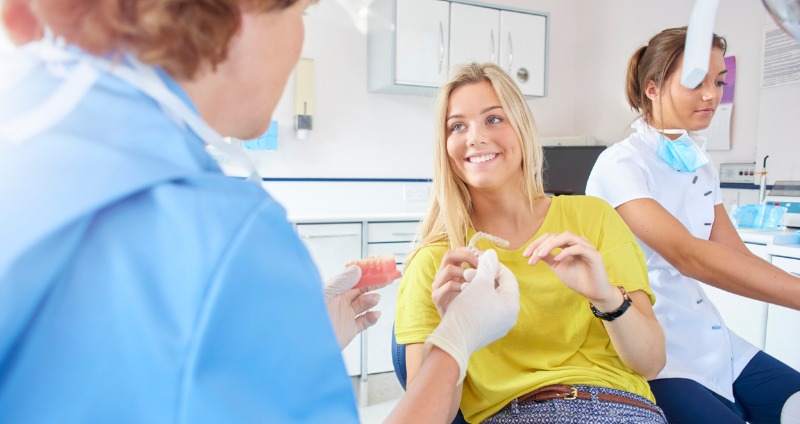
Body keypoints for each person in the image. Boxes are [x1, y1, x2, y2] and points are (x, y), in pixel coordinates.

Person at [0, 0, 520, 422]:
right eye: (300, 15)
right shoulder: (225, 234)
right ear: (239, 13)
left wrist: (299, 338)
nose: (299, 42)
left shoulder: (36, 134)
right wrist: (454, 343)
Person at [395, 62, 668, 424]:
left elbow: (650, 364)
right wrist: (455, 329)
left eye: (493, 119)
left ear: (522, 128)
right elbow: (429, 417)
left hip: (619, 408)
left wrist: (606, 297)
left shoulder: (593, 218)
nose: (474, 137)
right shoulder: (435, 264)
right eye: (457, 126)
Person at [586, 26, 800, 424]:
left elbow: (736, 255)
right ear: (651, 87)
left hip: (713, 339)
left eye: (718, 81)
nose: (712, 95)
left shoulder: (700, 163)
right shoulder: (621, 164)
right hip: (656, 350)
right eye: (695, 82)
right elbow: (689, 256)